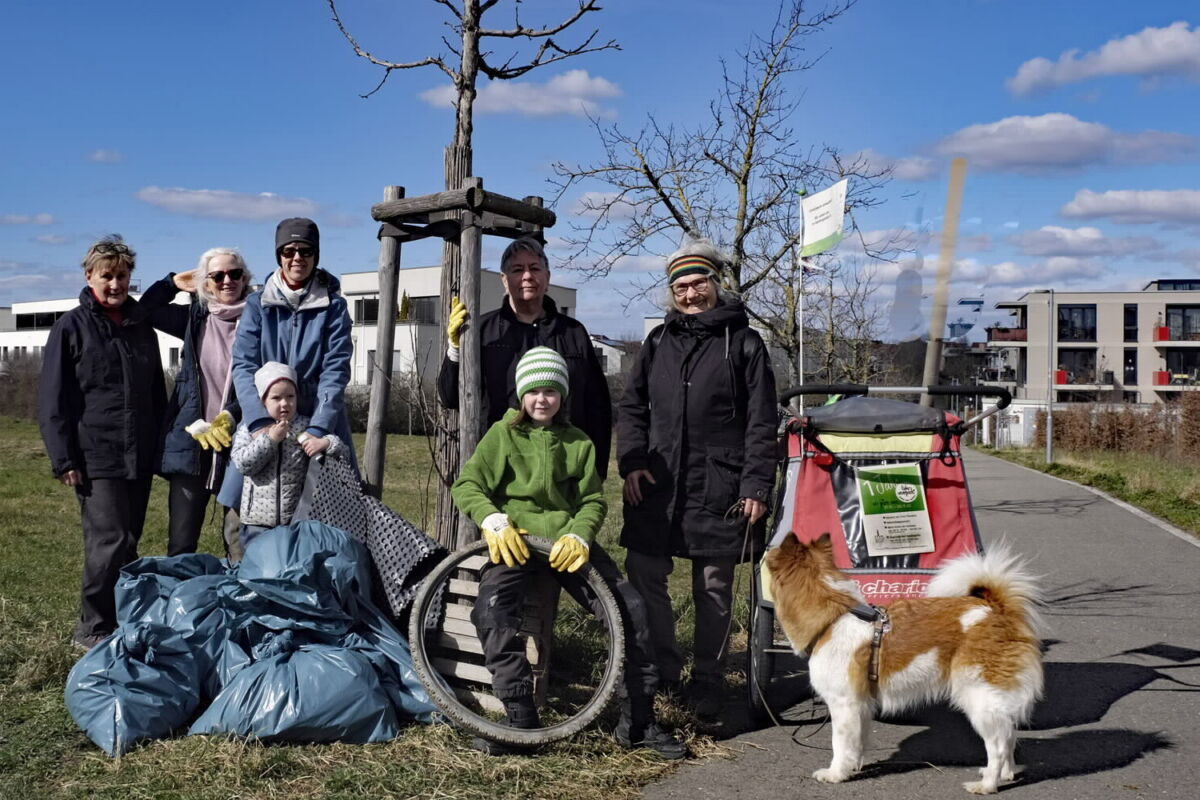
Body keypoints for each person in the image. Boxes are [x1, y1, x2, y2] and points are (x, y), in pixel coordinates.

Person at [452, 347, 686, 759]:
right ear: (521, 394)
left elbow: (592, 501)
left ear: (563, 396)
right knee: (490, 610)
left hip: (568, 548)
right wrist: (493, 521)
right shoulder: (501, 435)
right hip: (517, 542)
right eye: (534, 391)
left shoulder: (578, 442)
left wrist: (579, 535)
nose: (543, 399)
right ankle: (520, 715)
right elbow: (467, 485)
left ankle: (639, 720)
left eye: (552, 391)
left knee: (630, 609)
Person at [616, 237, 778, 720]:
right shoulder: (658, 341)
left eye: (699, 283)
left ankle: (708, 679)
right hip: (659, 482)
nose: (691, 294)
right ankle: (663, 670)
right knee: (646, 572)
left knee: (713, 586)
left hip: (720, 484)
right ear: (672, 293)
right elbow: (632, 407)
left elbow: (762, 421)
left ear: (715, 283)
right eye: (681, 287)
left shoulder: (745, 343)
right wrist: (632, 461)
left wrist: (755, 485)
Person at [38, 235, 167, 649]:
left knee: (129, 540)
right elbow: (53, 399)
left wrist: (160, 446)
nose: (115, 284)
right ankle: (92, 627)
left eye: (122, 276)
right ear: (89, 276)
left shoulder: (141, 326)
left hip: (139, 453)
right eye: (106, 276)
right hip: (96, 454)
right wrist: (64, 458)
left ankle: (121, 617)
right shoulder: (70, 327)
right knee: (107, 541)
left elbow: (154, 392)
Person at [437, 236, 612, 475]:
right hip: (502, 470)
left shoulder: (574, 333)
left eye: (535, 268)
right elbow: (449, 398)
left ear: (547, 278)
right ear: (504, 280)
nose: (527, 276)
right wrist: (455, 348)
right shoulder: (481, 331)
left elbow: (598, 406)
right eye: (517, 270)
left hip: (565, 469)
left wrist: (596, 471)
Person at [222, 218, 356, 515]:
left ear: (316, 255)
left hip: (316, 421)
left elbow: (335, 371)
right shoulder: (258, 305)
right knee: (247, 512)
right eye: (289, 251)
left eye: (306, 251)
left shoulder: (334, 307)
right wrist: (258, 421)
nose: (297, 258)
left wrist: (319, 428)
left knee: (325, 515)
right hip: (265, 420)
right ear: (279, 255)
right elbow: (243, 365)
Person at [136, 248, 253, 560]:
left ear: (245, 278)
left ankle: (241, 604)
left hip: (241, 441)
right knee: (181, 543)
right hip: (191, 441)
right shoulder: (192, 319)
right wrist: (172, 283)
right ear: (207, 282)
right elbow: (144, 311)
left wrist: (233, 414)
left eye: (234, 274)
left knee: (240, 543)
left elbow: (260, 382)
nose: (227, 280)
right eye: (217, 275)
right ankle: (181, 604)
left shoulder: (260, 320)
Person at [230, 362, 345, 548]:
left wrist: (325, 443)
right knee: (258, 570)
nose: (285, 403)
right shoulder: (249, 430)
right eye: (276, 398)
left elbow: (342, 450)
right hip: (257, 522)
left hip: (295, 520)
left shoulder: (305, 426)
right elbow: (243, 464)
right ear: (262, 401)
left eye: (290, 396)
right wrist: (270, 440)